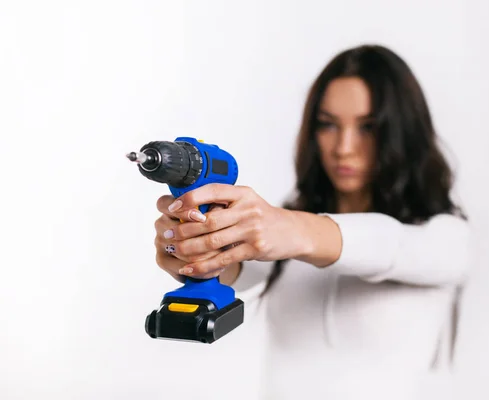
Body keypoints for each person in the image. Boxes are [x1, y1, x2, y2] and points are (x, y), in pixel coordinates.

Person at [153, 44, 472, 399]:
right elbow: (238, 270)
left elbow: (389, 245)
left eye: (368, 127)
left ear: (402, 133)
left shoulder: (446, 239)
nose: (343, 147)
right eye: (328, 125)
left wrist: (289, 228)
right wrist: (195, 249)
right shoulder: (284, 243)